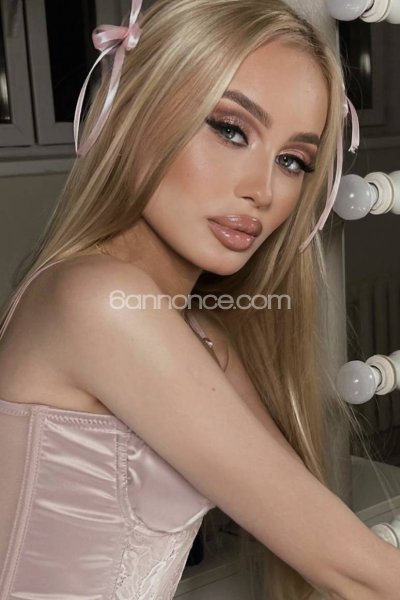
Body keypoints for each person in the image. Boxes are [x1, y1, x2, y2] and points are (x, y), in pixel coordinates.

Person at [0, 0, 399, 598]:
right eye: (230, 129)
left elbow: (317, 525)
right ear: (133, 112)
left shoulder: (202, 334)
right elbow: (351, 569)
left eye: (293, 161)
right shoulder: (97, 300)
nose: (262, 190)